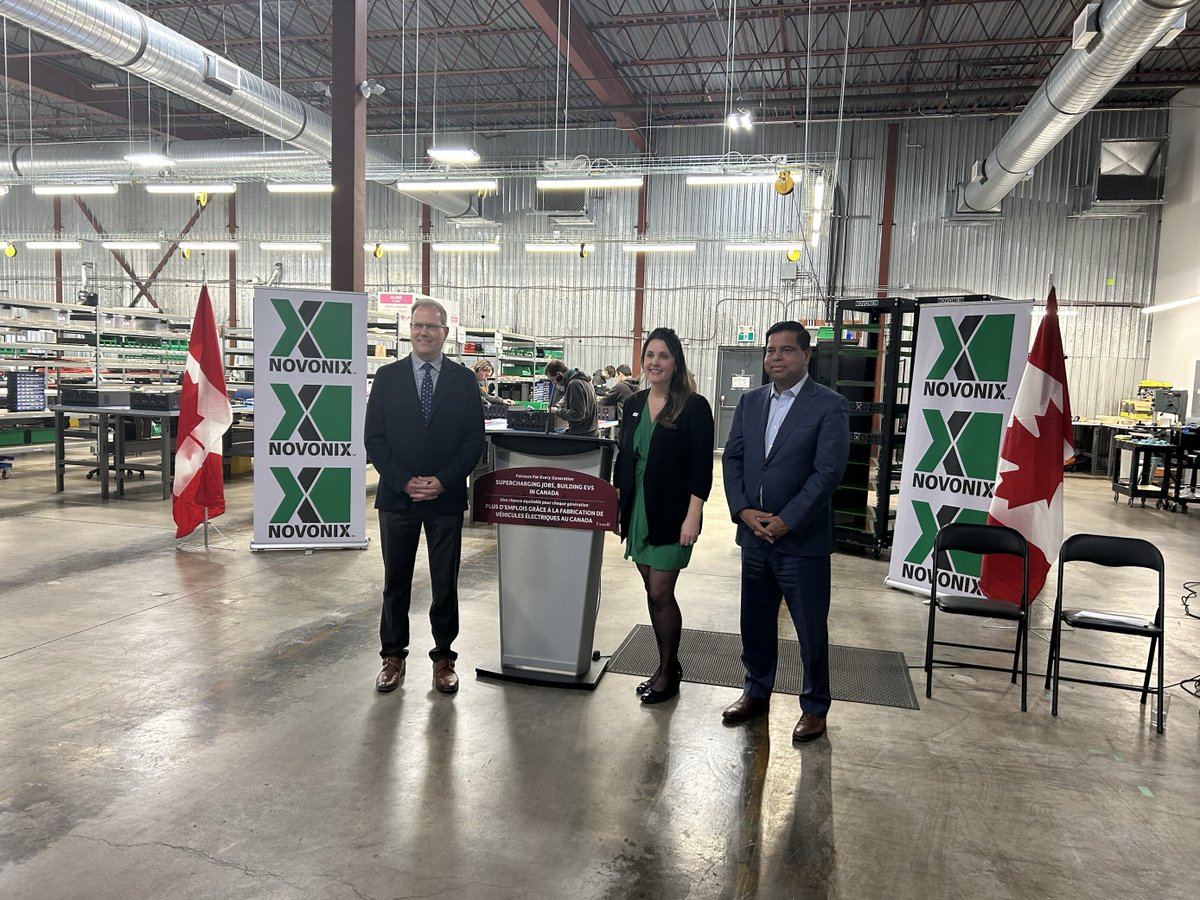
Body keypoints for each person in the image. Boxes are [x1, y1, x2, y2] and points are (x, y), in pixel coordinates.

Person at [720, 320, 850, 742]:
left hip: (801, 540)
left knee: (810, 628)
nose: (776, 357)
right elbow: (733, 459)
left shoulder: (829, 406)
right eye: (770, 350)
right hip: (755, 537)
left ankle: (814, 707)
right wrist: (742, 510)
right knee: (754, 622)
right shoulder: (751, 402)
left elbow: (827, 473)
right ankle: (756, 690)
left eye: (786, 350)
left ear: (806, 356)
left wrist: (787, 519)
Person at [364, 299, 485, 695]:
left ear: (445, 333)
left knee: (444, 582)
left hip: (445, 499)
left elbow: (472, 441)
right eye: (417, 325)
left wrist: (444, 481)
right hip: (398, 498)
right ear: (409, 329)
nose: (423, 332)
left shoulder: (463, 380)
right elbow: (375, 439)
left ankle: (444, 657)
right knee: (395, 581)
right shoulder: (387, 377)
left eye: (432, 326)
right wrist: (404, 481)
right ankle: (392, 656)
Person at [614, 327, 714, 704]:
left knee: (660, 591)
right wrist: (619, 501)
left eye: (663, 356)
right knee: (650, 590)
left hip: (674, 511)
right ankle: (665, 665)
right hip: (640, 508)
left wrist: (693, 517)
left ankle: (669, 669)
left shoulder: (693, 406)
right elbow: (625, 456)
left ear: (676, 363)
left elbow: (701, 468)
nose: (655, 362)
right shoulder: (634, 402)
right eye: (650, 355)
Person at [545, 359, 598, 436]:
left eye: (553, 380)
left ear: (558, 374)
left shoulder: (574, 384)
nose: (554, 383)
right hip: (590, 431)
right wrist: (558, 405)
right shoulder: (582, 379)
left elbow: (577, 414)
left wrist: (557, 411)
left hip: (582, 434)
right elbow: (567, 396)